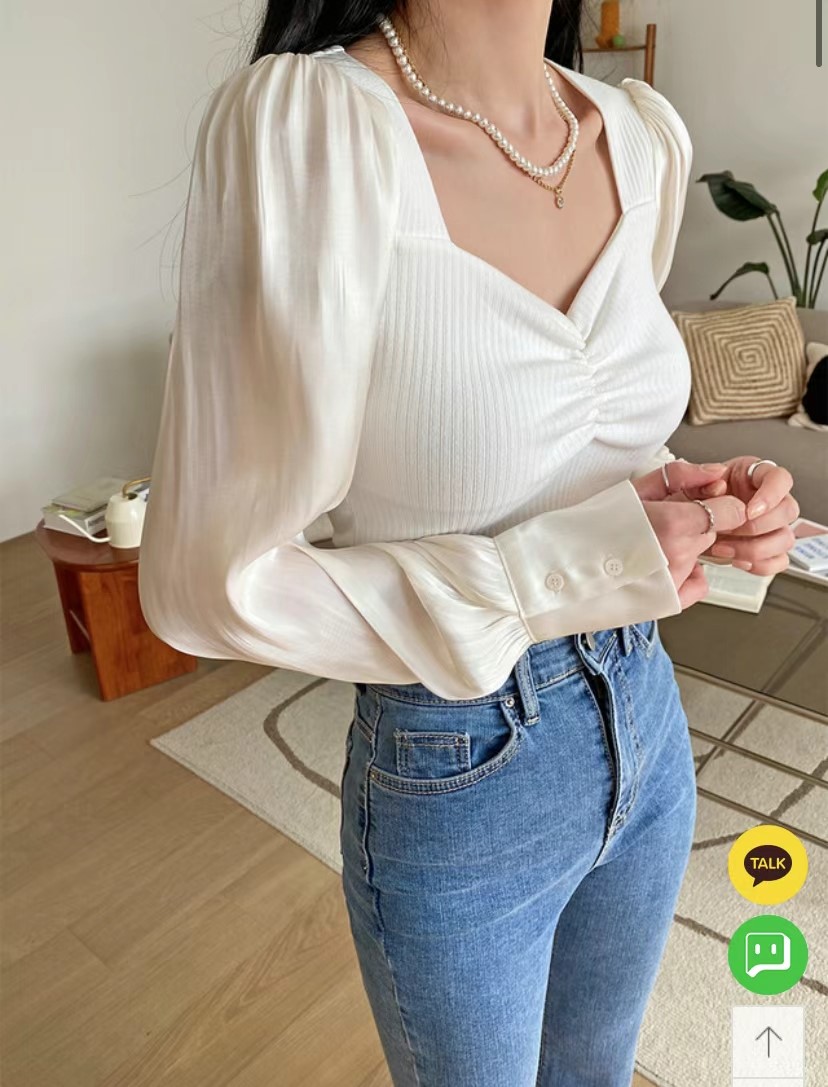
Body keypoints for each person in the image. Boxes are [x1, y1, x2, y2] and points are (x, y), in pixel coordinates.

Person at [137, 2, 798, 1083]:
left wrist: (690, 499)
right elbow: (212, 582)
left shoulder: (640, 135)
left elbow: (582, 431)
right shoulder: (312, 129)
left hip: (646, 703)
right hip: (460, 759)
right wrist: (554, 576)